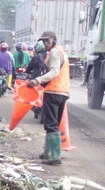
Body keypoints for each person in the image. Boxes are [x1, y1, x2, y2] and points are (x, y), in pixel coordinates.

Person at [28, 30, 70, 165]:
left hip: (53, 92)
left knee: (51, 124)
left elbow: (54, 72)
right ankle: (47, 152)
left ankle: (55, 157)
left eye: (48, 40)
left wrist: (37, 80)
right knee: (53, 124)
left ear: (54, 40)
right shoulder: (61, 51)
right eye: (44, 41)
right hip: (62, 92)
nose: (45, 43)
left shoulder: (54, 52)